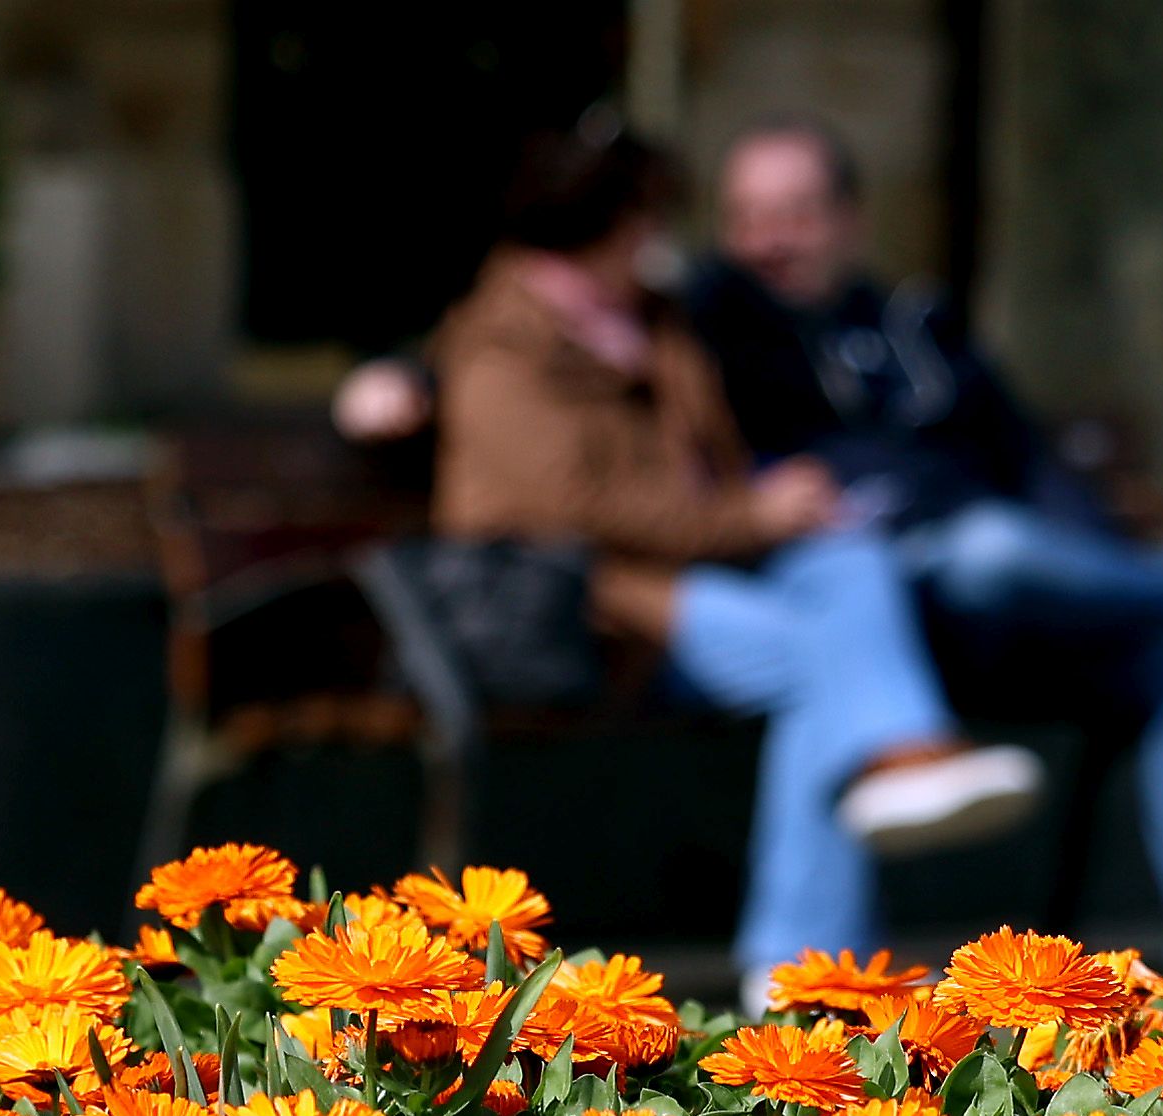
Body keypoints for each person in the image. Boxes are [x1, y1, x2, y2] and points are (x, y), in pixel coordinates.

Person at [684, 116, 1163, 985]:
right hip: (870, 614)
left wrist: (1088, 571)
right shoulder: (706, 330)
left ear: (850, 221)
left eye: (792, 214)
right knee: (991, 547)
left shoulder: (918, 326)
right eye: (746, 217)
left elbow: (1029, 463)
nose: (768, 242)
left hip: (1008, 618)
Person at [426, 123, 1046, 994]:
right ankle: (803, 957)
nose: (658, 238)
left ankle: (896, 767)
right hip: (600, 606)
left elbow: (712, 451)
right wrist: (750, 513)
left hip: (703, 569)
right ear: (602, 223)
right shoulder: (504, 345)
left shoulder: (647, 321)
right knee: (817, 661)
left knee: (849, 560)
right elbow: (576, 506)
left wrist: (776, 505)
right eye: (646, 217)